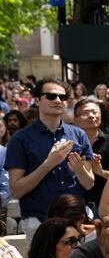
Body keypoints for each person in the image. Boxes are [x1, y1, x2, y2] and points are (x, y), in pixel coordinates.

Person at [5, 79, 94, 246]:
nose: (58, 100)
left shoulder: (79, 135)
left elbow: (89, 184)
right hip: (39, 221)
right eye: (52, 96)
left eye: (63, 97)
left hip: (76, 221)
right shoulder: (20, 139)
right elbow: (16, 190)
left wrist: (80, 170)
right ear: (37, 101)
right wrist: (49, 163)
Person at [73, 99, 109, 216]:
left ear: (101, 117)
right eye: (86, 113)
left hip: (107, 208)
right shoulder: (70, 145)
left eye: (94, 112)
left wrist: (100, 172)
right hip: (76, 208)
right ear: (75, 120)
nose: (91, 116)